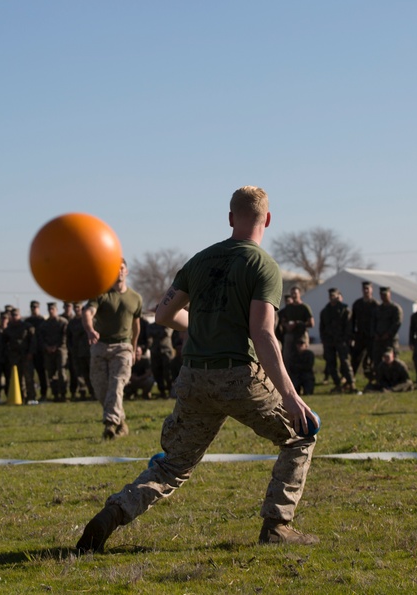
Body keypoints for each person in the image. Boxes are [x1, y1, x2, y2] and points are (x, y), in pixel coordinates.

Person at [76, 186, 319, 552]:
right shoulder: (263, 265)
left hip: (193, 377)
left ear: (230, 218)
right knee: (300, 435)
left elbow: (163, 314)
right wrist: (290, 395)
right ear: (267, 219)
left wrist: (204, 328)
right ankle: (277, 526)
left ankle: (114, 513)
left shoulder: (200, 261)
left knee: (173, 465)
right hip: (239, 376)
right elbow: (263, 333)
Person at [83, 259, 143, 439]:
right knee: (101, 389)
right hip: (100, 346)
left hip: (123, 347)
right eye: (114, 269)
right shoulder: (100, 294)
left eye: (121, 268)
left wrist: (133, 348)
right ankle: (121, 422)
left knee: (117, 384)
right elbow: (87, 312)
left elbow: (136, 326)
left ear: (127, 271)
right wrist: (90, 329)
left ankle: (110, 425)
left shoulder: (135, 298)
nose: (118, 272)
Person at [319, 288, 354, 393]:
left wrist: (346, 339)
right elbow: (322, 327)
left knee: (345, 362)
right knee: (331, 363)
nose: (332, 298)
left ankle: (351, 383)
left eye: (334, 295)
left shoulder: (344, 310)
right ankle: (338, 384)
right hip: (329, 341)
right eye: (330, 296)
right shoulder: (325, 311)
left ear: (338, 296)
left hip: (341, 340)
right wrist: (324, 339)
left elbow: (349, 326)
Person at [37, 302, 70, 402]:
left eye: (53, 309)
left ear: (56, 310)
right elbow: (41, 338)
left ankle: (63, 394)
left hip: (60, 351)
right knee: (51, 374)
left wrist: (57, 346)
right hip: (48, 352)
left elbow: (65, 337)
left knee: (61, 372)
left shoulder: (62, 322)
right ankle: (55, 394)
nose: (51, 311)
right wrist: (47, 347)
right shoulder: (44, 324)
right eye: (49, 310)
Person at [279, 286, 314, 368]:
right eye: (292, 294)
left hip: (301, 335)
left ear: (299, 294)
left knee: (302, 355)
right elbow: (283, 321)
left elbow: (311, 323)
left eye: (295, 293)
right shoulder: (288, 308)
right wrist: (287, 325)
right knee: (287, 357)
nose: (293, 295)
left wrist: (298, 323)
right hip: (290, 334)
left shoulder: (304, 307)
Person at [350, 282, 378, 381]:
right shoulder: (357, 304)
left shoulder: (375, 304)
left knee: (373, 358)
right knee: (355, 358)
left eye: (368, 288)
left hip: (371, 336)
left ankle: (373, 378)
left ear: (371, 290)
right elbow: (352, 321)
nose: (366, 291)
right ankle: (350, 379)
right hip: (360, 336)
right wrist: (352, 335)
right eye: (364, 289)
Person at [68, 302, 94, 400]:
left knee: (92, 373)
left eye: (78, 307)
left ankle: (93, 392)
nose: (77, 309)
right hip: (77, 352)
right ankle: (83, 392)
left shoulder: (90, 320)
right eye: (75, 308)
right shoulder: (71, 322)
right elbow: (69, 338)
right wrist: (71, 350)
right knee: (81, 374)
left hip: (89, 351)